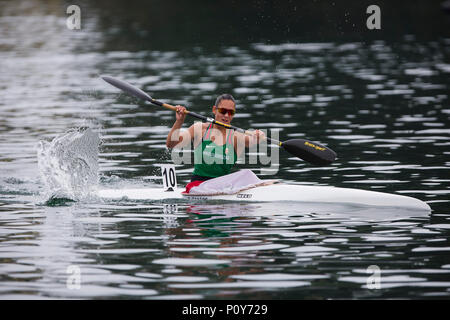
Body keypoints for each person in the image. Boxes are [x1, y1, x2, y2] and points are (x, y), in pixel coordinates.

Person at [166, 94, 266, 192]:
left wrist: (259, 135)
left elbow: (253, 141)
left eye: (231, 112)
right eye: (223, 111)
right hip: (198, 186)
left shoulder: (237, 136)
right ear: (214, 110)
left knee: (247, 173)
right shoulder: (199, 129)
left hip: (222, 187)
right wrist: (179, 121)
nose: (227, 115)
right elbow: (170, 144)